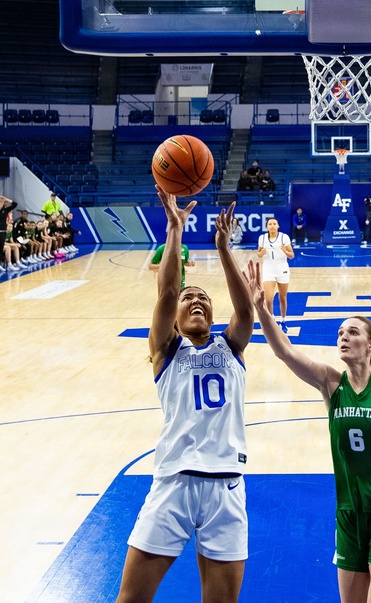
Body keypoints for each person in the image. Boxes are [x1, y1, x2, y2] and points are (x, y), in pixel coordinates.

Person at [241, 263, 371, 603]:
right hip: (350, 511)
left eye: (352, 332)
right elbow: (284, 351)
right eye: (340, 333)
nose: (343, 337)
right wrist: (262, 309)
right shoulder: (330, 382)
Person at [116, 188, 253, 603]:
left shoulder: (231, 347)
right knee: (131, 598)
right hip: (173, 481)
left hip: (227, 485)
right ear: (176, 316)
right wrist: (175, 230)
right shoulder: (166, 350)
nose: (196, 301)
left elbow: (245, 312)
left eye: (204, 299)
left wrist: (223, 249)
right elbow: (168, 293)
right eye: (190, 298)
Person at [257, 217, 294, 332]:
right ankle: (271, 320)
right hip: (268, 269)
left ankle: (283, 320)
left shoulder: (284, 237)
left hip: (282, 269)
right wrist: (261, 253)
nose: (272, 226)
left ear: (278, 226)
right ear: (267, 226)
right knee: (268, 298)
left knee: (282, 297)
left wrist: (285, 251)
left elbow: (291, 255)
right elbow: (259, 254)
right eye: (270, 224)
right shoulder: (262, 238)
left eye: (274, 224)